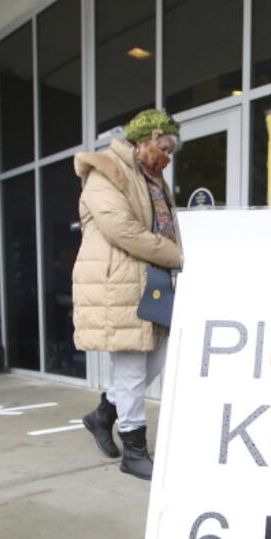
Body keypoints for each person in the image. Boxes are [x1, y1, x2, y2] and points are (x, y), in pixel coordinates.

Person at [72, 109, 183, 481]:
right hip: (119, 283)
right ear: (142, 140)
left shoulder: (153, 179)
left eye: (170, 151)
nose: (167, 156)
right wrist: (181, 258)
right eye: (163, 147)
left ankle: (102, 415)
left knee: (156, 361)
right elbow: (123, 230)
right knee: (134, 369)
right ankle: (134, 450)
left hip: (151, 281)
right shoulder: (107, 171)